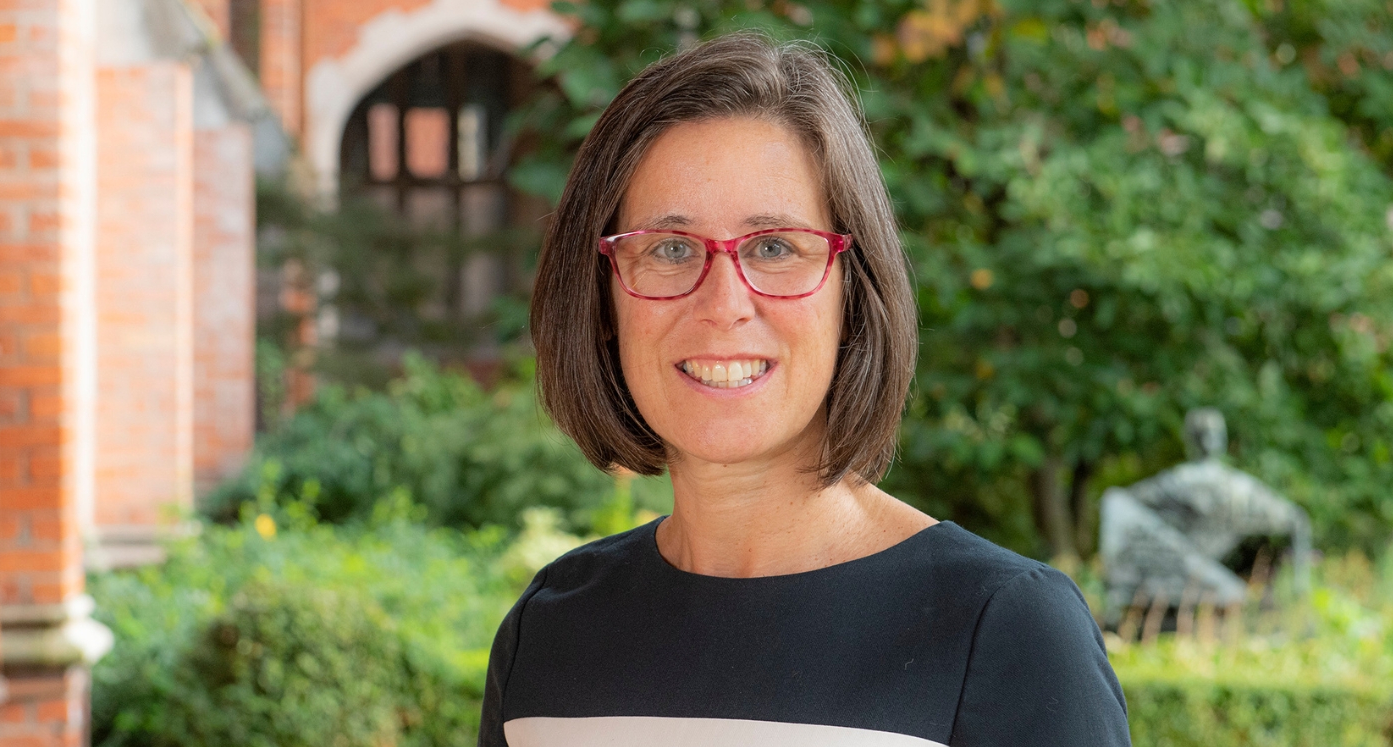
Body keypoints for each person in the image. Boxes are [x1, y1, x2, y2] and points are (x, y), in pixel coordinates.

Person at [479, 32, 1130, 747]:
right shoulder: (550, 631)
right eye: (669, 248)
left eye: (774, 247)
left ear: (854, 291)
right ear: (602, 298)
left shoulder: (1005, 631)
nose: (723, 303)